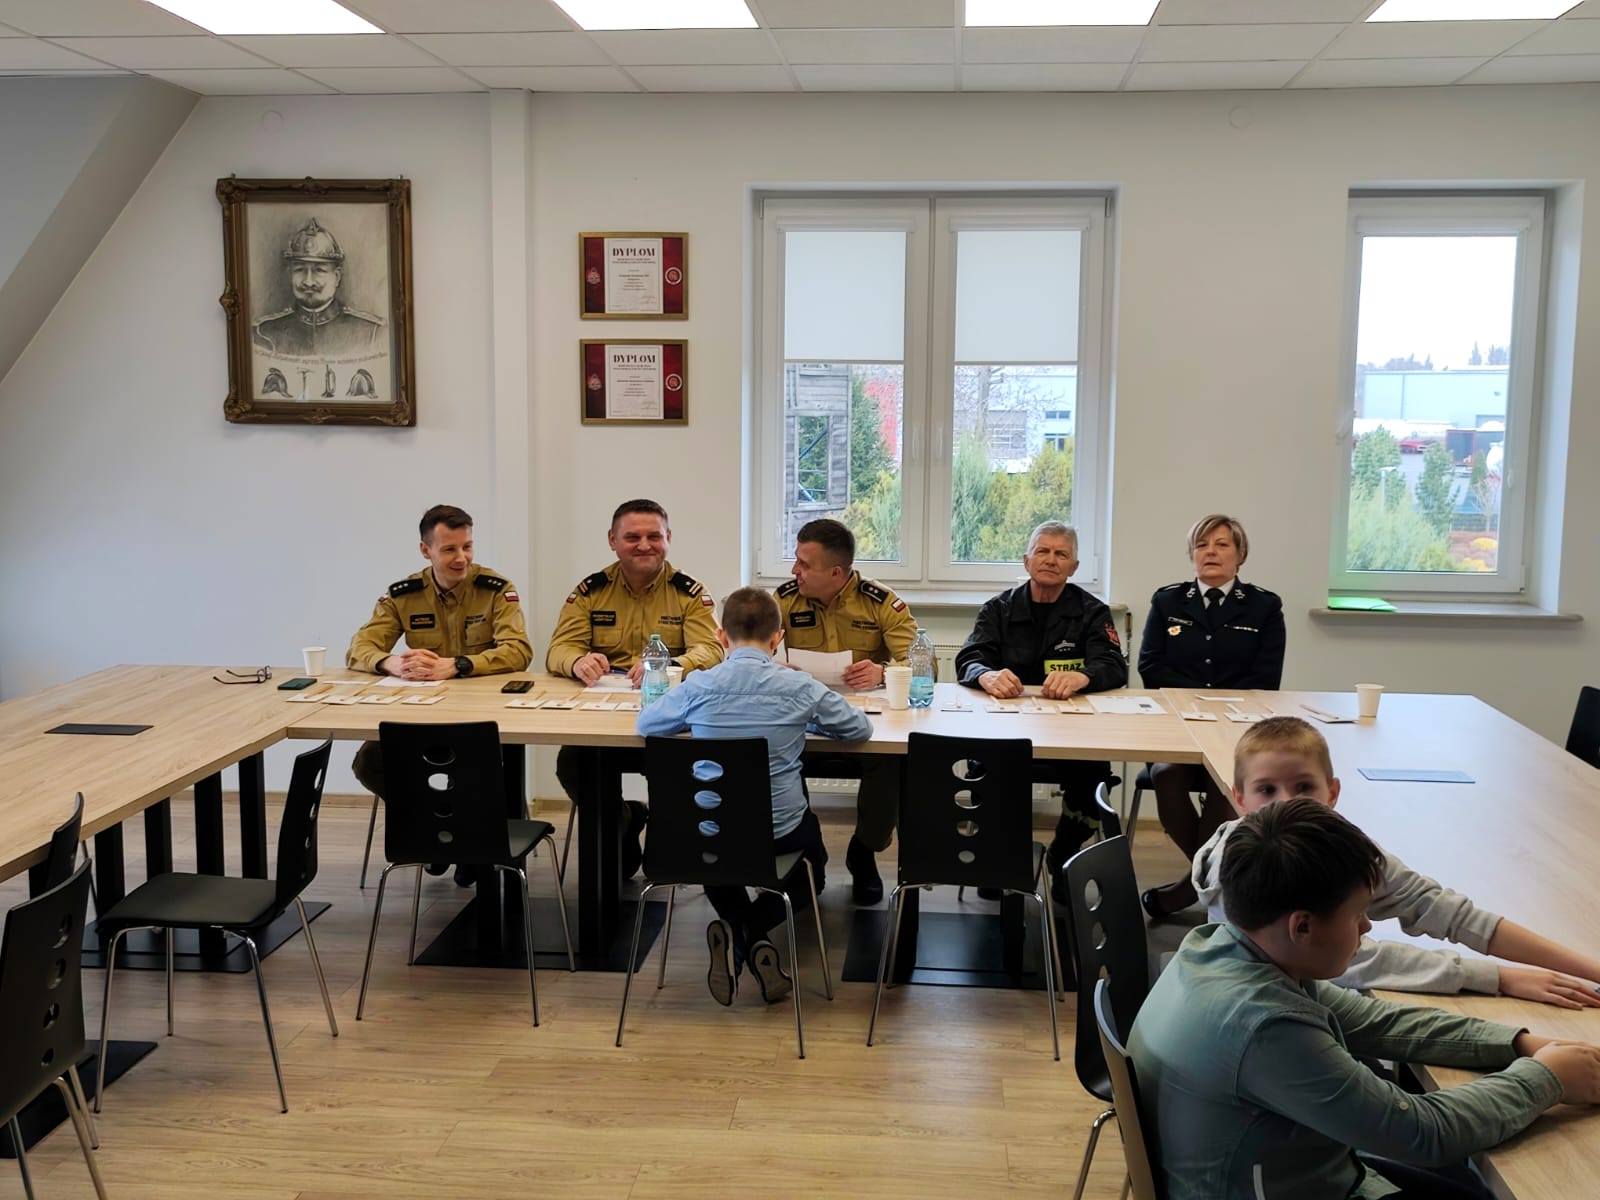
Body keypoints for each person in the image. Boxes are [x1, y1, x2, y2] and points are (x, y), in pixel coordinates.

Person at [1132, 796, 1600, 1200]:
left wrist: (1519, 1044)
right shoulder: (1265, 1027)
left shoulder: (1221, 948)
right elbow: (1423, 1134)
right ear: (1302, 926)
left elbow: (1378, 1023)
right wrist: (1547, 1078)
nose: (1366, 926)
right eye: (1357, 913)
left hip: (1288, 1172)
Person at [1194, 716, 1600, 1009]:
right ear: (1239, 798)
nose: (1287, 801)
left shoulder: (1336, 845)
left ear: (1332, 792)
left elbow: (1441, 909)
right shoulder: (1244, 867)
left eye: (1304, 786)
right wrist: (1497, 977)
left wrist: (1589, 969)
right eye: (1267, 790)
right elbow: (1354, 962)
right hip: (1260, 1015)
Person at [637, 587, 872, 1006]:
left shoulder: (699, 685)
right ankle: (750, 928)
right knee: (812, 874)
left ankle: (735, 928)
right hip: (778, 833)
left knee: (715, 856)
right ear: (778, 638)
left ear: (721, 636)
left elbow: (648, 724)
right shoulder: (799, 686)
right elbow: (859, 728)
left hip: (708, 832)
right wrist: (806, 722)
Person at [346, 504, 531, 880]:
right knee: (370, 762)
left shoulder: (495, 590)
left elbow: (519, 651)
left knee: (478, 767)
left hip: (482, 717)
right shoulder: (404, 594)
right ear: (425, 550)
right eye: (449, 549)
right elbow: (359, 647)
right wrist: (390, 663)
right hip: (423, 716)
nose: (461, 558)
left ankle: (459, 842)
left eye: (467, 547)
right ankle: (439, 829)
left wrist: (458, 664)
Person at [546, 498, 722, 878]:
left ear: (668, 538)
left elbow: (711, 650)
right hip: (601, 714)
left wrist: (670, 666)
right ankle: (621, 823)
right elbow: (559, 649)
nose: (644, 545)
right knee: (572, 764)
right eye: (632, 537)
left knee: (670, 768)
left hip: (668, 716)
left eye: (654, 536)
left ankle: (662, 850)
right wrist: (577, 662)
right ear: (613, 540)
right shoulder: (591, 592)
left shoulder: (689, 593)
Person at [955, 521, 1126, 889]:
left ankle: (1064, 852)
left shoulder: (1093, 612)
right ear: (1026, 560)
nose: (1051, 560)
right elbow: (969, 658)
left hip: (1072, 732)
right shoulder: (998, 609)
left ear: (1074, 567)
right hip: (1006, 730)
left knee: (1094, 780)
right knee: (985, 771)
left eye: (1061, 554)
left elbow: (1114, 665)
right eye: (1043, 551)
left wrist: (1083, 677)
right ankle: (998, 856)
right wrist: (986, 675)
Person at [1137, 512, 1285, 918]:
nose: (1210, 552)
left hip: (1237, 728)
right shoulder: (1168, 601)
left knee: (1226, 784)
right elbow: (1150, 666)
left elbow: (1266, 677)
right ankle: (1213, 880)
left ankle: (1190, 888)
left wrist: (1216, 702)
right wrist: (1196, 699)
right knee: (1165, 774)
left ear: (1240, 555)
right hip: (1179, 724)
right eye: (1202, 545)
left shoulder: (1264, 606)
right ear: (1192, 554)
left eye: (1222, 545)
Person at [775, 518, 917, 905]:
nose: (795, 570)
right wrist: (775, 666)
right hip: (805, 717)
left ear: (836, 572)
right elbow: (755, 648)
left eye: (804, 564)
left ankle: (864, 850)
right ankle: (805, 849)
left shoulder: (880, 602)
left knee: (890, 762)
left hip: (865, 718)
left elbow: (924, 664)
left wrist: (884, 671)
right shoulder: (784, 599)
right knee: (773, 753)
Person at [252, 218, 385, 358]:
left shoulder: (371, 333)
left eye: (319, 270)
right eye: (299, 270)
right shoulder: (264, 333)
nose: (308, 282)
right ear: (290, 274)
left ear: (337, 277)